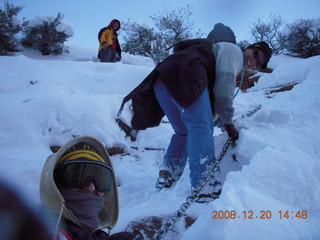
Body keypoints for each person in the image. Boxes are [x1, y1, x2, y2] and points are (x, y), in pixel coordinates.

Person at [120, 32, 272, 202]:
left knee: (184, 130)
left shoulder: (222, 51)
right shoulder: (234, 51)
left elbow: (210, 103)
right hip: (186, 73)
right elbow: (224, 90)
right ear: (249, 48)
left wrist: (221, 121)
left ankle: (169, 172)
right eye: (256, 54)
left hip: (162, 80)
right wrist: (228, 122)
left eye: (259, 63)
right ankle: (206, 187)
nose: (254, 61)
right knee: (201, 127)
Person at [40, 136, 144, 240]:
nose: (91, 187)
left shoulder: (96, 233)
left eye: (100, 179)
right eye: (76, 177)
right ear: (55, 182)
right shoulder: (37, 228)